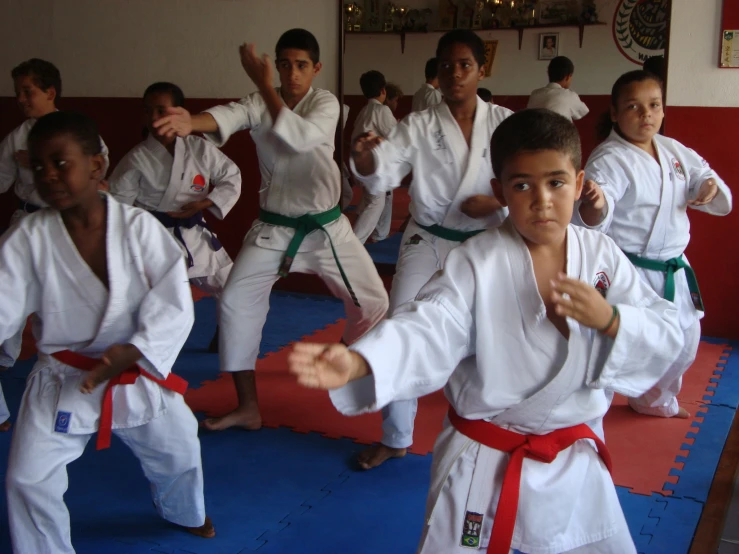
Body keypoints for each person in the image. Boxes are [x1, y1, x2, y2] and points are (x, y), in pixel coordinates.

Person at [289, 108, 685, 554]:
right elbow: (431, 323)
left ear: (578, 183)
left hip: (573, 459)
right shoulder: (477, 260)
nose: (541, 199)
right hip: (484, 459)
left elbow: (667, 326)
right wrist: (364, 359)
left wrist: (612, 320)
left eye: (556, 182)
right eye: (522, 185)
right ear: (499, 191)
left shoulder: (603, 256)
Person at [154, 28, 389, 432]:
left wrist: (264, 86)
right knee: (233, 303)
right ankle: (248, 407)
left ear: (316, 68)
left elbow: (301, 138)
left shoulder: (326, 103)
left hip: (326, 229)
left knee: (373, 303)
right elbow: (227, 115)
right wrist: (188, 121)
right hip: (272, 230)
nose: (292, 73)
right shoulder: (257, 102)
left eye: (301, 65)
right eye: (284, 65)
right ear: (277, 66)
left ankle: (345, 355)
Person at [2, 111, 214, 554]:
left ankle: (183, 512)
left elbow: (173, 299)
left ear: (96, 166)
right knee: (27, 479)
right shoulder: (27, 239)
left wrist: (135, 350)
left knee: (179, 452)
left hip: (137, 372)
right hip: (64, 379)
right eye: (38, 166)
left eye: (61, 163)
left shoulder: (139, 229)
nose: (49, 176)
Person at [350, 30, 511, 469]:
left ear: (482, 69)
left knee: (490, 335)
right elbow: (385, 171)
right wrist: (366, 161)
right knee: (401, 325)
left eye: (464, 65)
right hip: (428, 238)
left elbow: (528, 178)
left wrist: (499, 202)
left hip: (485, 243)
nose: (455, 74)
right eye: (446, 66)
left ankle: (487, 430)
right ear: (437, 72)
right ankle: (396, 435)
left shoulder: (504, 122)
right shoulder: (418, 124)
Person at [575, 70, 732, 418]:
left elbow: (701, 172)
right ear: (614, 113)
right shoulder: (609, 159)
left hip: (673, 266)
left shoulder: (671, 149)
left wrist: (707, 185)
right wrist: (597, 204)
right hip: (629, 269)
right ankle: (584, 413)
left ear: (662, 110)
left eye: (654, 105)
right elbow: (598, 206)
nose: (646, 114)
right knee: (615, 344)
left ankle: (652, 400)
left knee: (686, 342)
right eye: (633, 106)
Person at [109, 82, 241, 352]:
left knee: (232, 286)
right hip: (155, 241)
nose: (155, 118)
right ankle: (146, 349)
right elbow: (119, 206)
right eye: (149, 111)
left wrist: (204, 203)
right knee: (160, 302)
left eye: (162, 110)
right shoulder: (137, 158)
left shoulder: (199, 148)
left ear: (180, 112)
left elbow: (232, 177)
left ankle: (226, 334)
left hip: (194, 234)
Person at [0, 58, 110, 378]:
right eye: (17, 92)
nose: (21, 99)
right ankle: (6, 358)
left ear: (50, 92)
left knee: (59, 296)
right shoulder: (16, 138)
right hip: (28, 219)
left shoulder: (77, 131)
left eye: (28, 91)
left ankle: (61, 359)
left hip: (70, 224)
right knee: (12, 291)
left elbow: (98, 172)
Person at [351, 70, 397, 245]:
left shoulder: (364, 111)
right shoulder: (381, 110)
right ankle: (355, 243)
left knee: (383, 197)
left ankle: (380, 235)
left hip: (361, 163)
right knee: (376, 203)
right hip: (372, 165)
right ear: (383, 90)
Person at [527, 56, 589, 122]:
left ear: (548, 73)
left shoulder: (535, 94)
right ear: (568, 77)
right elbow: (583, 111)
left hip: (535, 131)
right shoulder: (569, 95)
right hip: (560, 131)